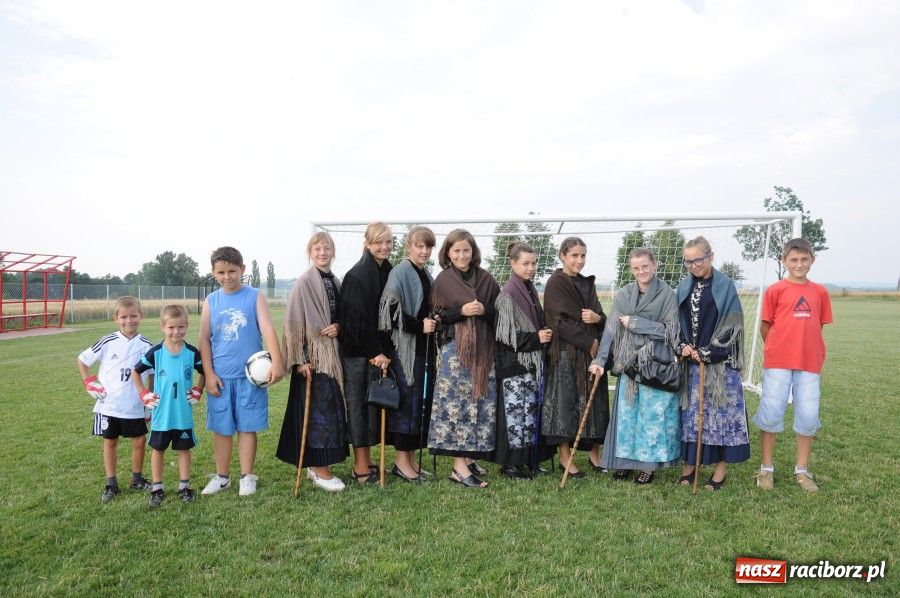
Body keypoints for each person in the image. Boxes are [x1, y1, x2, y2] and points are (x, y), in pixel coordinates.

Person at [590, 247, 680, 484]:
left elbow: (671, 331)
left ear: (655, 264)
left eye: (645, 266)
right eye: (636, 268)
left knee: (650, 417)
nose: (641, 271)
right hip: (628, 363)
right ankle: (624, 463)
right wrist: (600, 360)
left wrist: (638, 324)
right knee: (628, 416)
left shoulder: (668, 294)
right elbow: (611, 329)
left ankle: (648, 467)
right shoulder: (624, 294)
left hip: (654, 364)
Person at [199, 246, 284, 497]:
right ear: (214, 273)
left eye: (232, 271)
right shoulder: (211, 301)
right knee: (222, 428)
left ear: (242, 270)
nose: (227, 277)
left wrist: (277, 362)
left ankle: (247, 476)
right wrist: (209, 373)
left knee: (247, 427)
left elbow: (267, 329)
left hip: (251, 378)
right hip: (221, 377)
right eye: (221, 272)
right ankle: (222, 477)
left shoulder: (254, 296)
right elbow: (204, 339)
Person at [752, 238, 832, 492]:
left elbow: (816, 326)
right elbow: (766, 326)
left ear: (812, 260)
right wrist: (780, 347)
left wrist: (804, 348)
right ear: (784, 261)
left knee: (808, 415)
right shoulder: (775, 290)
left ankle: (802, 470)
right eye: (794, 260)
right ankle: (766, 468)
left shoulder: (819, 292)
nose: (799, 264)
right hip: (778, 362)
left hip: (809, 363)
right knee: (772, 412)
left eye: (804, 259)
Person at [276, 232, 349, 492]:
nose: (322, 252)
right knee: (320, 414)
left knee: (332, 411)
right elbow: (294, 324)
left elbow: (340, 314)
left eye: (326, 248)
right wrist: (302, 359)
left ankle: (316, 466)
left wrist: (339, 326)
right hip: (313, 362)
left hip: (332, 356)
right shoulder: (304, 282)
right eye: (317, 248)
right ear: (310, 252)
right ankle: (319, 470)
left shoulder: (335, 281)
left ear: (333, 252)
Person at [676, 236, 750, 491]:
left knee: (720, 416)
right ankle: (690, 466)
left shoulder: (724, 285)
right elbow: (676, 322)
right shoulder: (684, 286)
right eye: (688, 261)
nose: (693, 265)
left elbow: (733, 324)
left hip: (720, 366)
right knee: (692, 416)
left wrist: (708, 352)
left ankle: (720, 471)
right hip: (691, 365)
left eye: (698, 259)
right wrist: (684, 346)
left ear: (710, 256)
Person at [429, 229, 500, 488]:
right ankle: (458, 468)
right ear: (448, 252)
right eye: (456, 250)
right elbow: (436, 317)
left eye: (466, 250)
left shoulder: (486, 279)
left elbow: (500, 315)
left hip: (484, 352)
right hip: (455, 354)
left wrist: (484, 310)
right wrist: (460, 311)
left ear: (473, 252)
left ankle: (469, 458)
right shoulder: (443, 281)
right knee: (457, 407)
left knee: (479, 403)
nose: (461, 255)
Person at [77, 296, 154, 502]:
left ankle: (137, 480)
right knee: (110, 441)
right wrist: (89, 382)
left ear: (141, 316)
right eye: (124, 317)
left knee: (139, 441)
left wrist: (149, 400)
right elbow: (83, 360)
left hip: (135, 405)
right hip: (109, 406)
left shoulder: (147, 345)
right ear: (115, 318)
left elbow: (152, 374)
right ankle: (111, 484)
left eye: (133, 316)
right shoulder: (108, 341)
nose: (129, 321)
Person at [542, 237, 607, 477]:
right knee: (565, 404)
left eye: (582, 256)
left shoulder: (587, 284)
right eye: (574, 256)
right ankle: (565, 457)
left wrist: (597, 320)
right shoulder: (556, 283)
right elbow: (556, 322)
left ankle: (594, 454)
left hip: (590, 354)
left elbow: (600, 314)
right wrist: (588, 342)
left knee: (595, 402)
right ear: (562, 256)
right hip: (566, 354)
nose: (579, 261)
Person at [377, 226, 438, 482]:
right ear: (409, 247)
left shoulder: (425, 273)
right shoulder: (400, 273)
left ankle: (411, 459)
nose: (424, 251)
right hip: (406, 350)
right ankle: (402, 463)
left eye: (428, 247)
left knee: (419, 405)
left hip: (423, 349)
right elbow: (389, 313)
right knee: (407, 405)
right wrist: (418, 325)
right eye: (419, 246)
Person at [132, 305, 205, 507]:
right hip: (161, 415)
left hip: (183, 414)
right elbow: (135, 372)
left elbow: (204, 372)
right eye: (171, 327)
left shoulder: (191, 352)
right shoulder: (155, 353)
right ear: (163, 327)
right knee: (158, 450)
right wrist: (144, 394)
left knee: (184, 450)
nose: (176, 332)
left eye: (181, 327)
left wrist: (199, 390)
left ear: (187, 326)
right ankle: (157, 488)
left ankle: (184, 486)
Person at [339, 222, 394, 485]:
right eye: (378, 242)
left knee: (372, 408)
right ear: (367, 243)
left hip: (377, 354)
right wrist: (375, 352)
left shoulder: (387, 271)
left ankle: (369, 459)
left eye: (388, 242)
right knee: (359, 409)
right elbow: (357, 322)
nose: (384, 247)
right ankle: (360, 466)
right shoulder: (358, 275)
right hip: (358, 356)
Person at [493, 241, 554, 479]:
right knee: (516, 416)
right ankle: (511, 465)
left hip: (530, 364)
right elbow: (504, 336)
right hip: (514, 366)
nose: (530, 268)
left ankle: (530, 460)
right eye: (525, 263)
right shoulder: (507, 295)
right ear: (513, 263)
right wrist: (536, 338)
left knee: (530, 413)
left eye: (533, 263)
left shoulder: (529, 289)